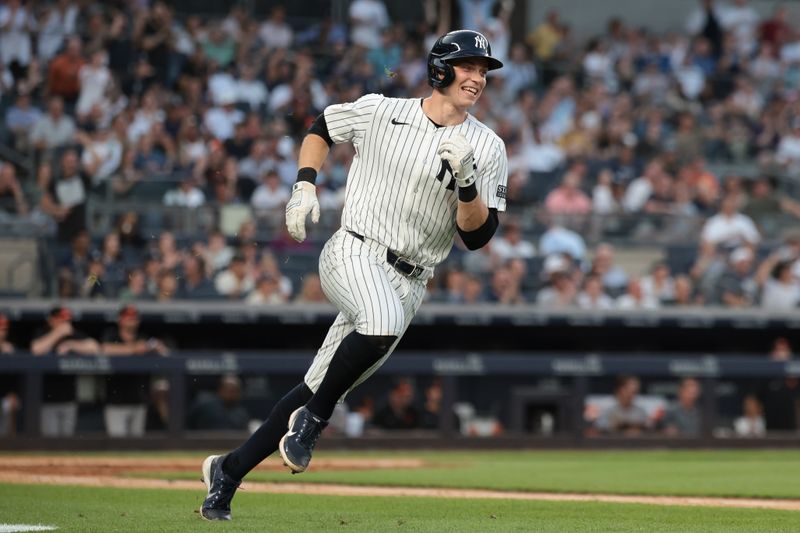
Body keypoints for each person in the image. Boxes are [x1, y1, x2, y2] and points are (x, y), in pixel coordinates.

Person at [200, 29, 508, 521]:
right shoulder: (382, 111)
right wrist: (304, 186)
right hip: (355, 250)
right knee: (370, 335)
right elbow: (322, 126)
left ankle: (227, 473)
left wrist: (467, 185)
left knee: (316, 385)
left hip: (412, 280)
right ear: (441, 69)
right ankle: (314, 424)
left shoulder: (488, 147)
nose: (478, 78)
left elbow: (477, 236)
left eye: (483, 70)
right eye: (469, 66)